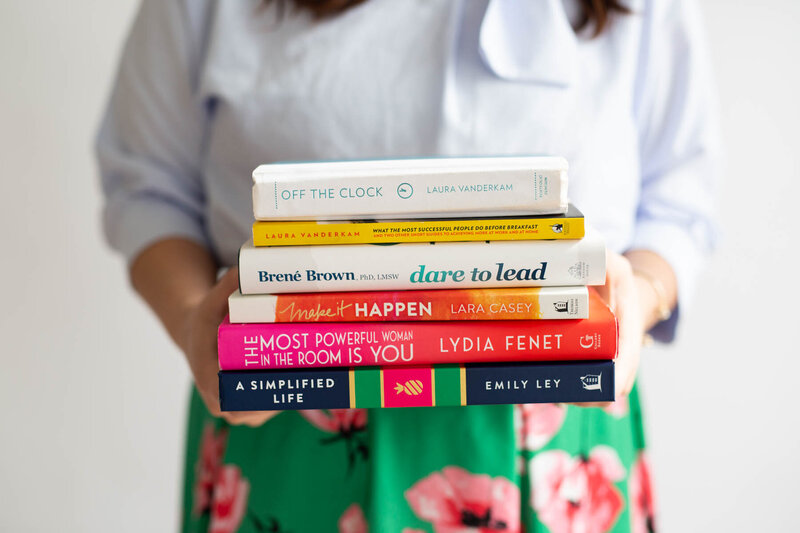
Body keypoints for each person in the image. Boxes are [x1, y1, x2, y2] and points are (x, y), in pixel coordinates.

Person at [96, 0, 718, 531]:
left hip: (559, 441)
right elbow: (148, 185)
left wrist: (642, 294)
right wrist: (193, 319)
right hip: (284, 413)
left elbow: (678, 197)